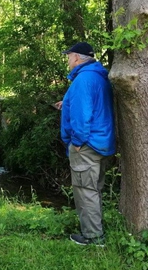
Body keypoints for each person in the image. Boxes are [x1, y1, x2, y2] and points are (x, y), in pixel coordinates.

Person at [60, 42, 115, 246]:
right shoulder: (97, 75)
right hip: (101, 141)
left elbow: (83, 115)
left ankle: (93, 236)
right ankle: (96, 229)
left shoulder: (83, 79)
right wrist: (65, 104)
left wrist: (77, 142)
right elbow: (92, 104)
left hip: (87, 144)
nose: (68, 60)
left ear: (76, 57)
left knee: (85, 190)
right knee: (94, 189)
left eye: (69, 56)